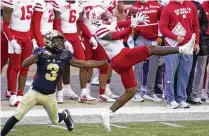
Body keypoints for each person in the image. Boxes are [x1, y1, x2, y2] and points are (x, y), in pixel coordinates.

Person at [89, 6, 195, 133]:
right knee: (151, 49)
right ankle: (183, 49)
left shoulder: (107, 24)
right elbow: (119, 35)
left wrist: (135, 21)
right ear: (97, 20)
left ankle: (108, 113)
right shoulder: (99, 31)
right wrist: (131, 27)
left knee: (131, 90)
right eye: (103, 16)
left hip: (121, 59)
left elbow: (122, 23)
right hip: (120, 57)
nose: (107, 16)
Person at [1, 30, 110, 136]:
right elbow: (24, 64)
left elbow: (85, 63)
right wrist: (38, 55)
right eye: (57, 40)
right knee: (17, 115)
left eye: (60, 40)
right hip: (34, 92)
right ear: (49, 41)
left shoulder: (65, 54)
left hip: (50, 95)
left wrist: (105, 62)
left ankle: (65, 114)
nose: (60, 43)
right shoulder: (41, 51)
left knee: (55, 120)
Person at [160, 0, 200, 109]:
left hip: (187, 45)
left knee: (185, 73)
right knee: (170, 72)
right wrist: (174, 37)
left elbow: (196, 25)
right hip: (172, 46)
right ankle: (170, 99)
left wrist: (196, 43)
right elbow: (162, 28)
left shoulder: (191, 5)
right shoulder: (168, 8)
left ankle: (181, 98)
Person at [2, 0, 42, 107]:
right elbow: (5, 25)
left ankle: (20, 94)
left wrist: (33, 39)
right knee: (15, 67)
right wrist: (12, 41)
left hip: (27, 36)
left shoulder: (33, 2)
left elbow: (31, 23)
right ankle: (12, 95)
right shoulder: (11, 2)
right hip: (15, 35)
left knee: (25, 67)